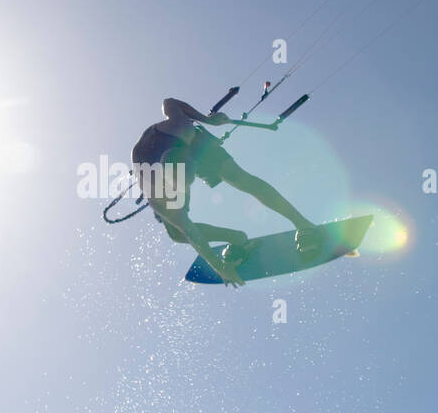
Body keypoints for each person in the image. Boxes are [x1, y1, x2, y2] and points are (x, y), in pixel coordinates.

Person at [131, 97, 318, 287]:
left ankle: (303, 224)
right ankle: (237, 239)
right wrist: (218, 266)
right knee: (176, 233)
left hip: (192, 144)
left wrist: (207, 119)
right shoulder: (153, 189)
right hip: (163, 162)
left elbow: (169, 102)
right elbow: (187, 230)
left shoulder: (181, 128)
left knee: (238, 177)